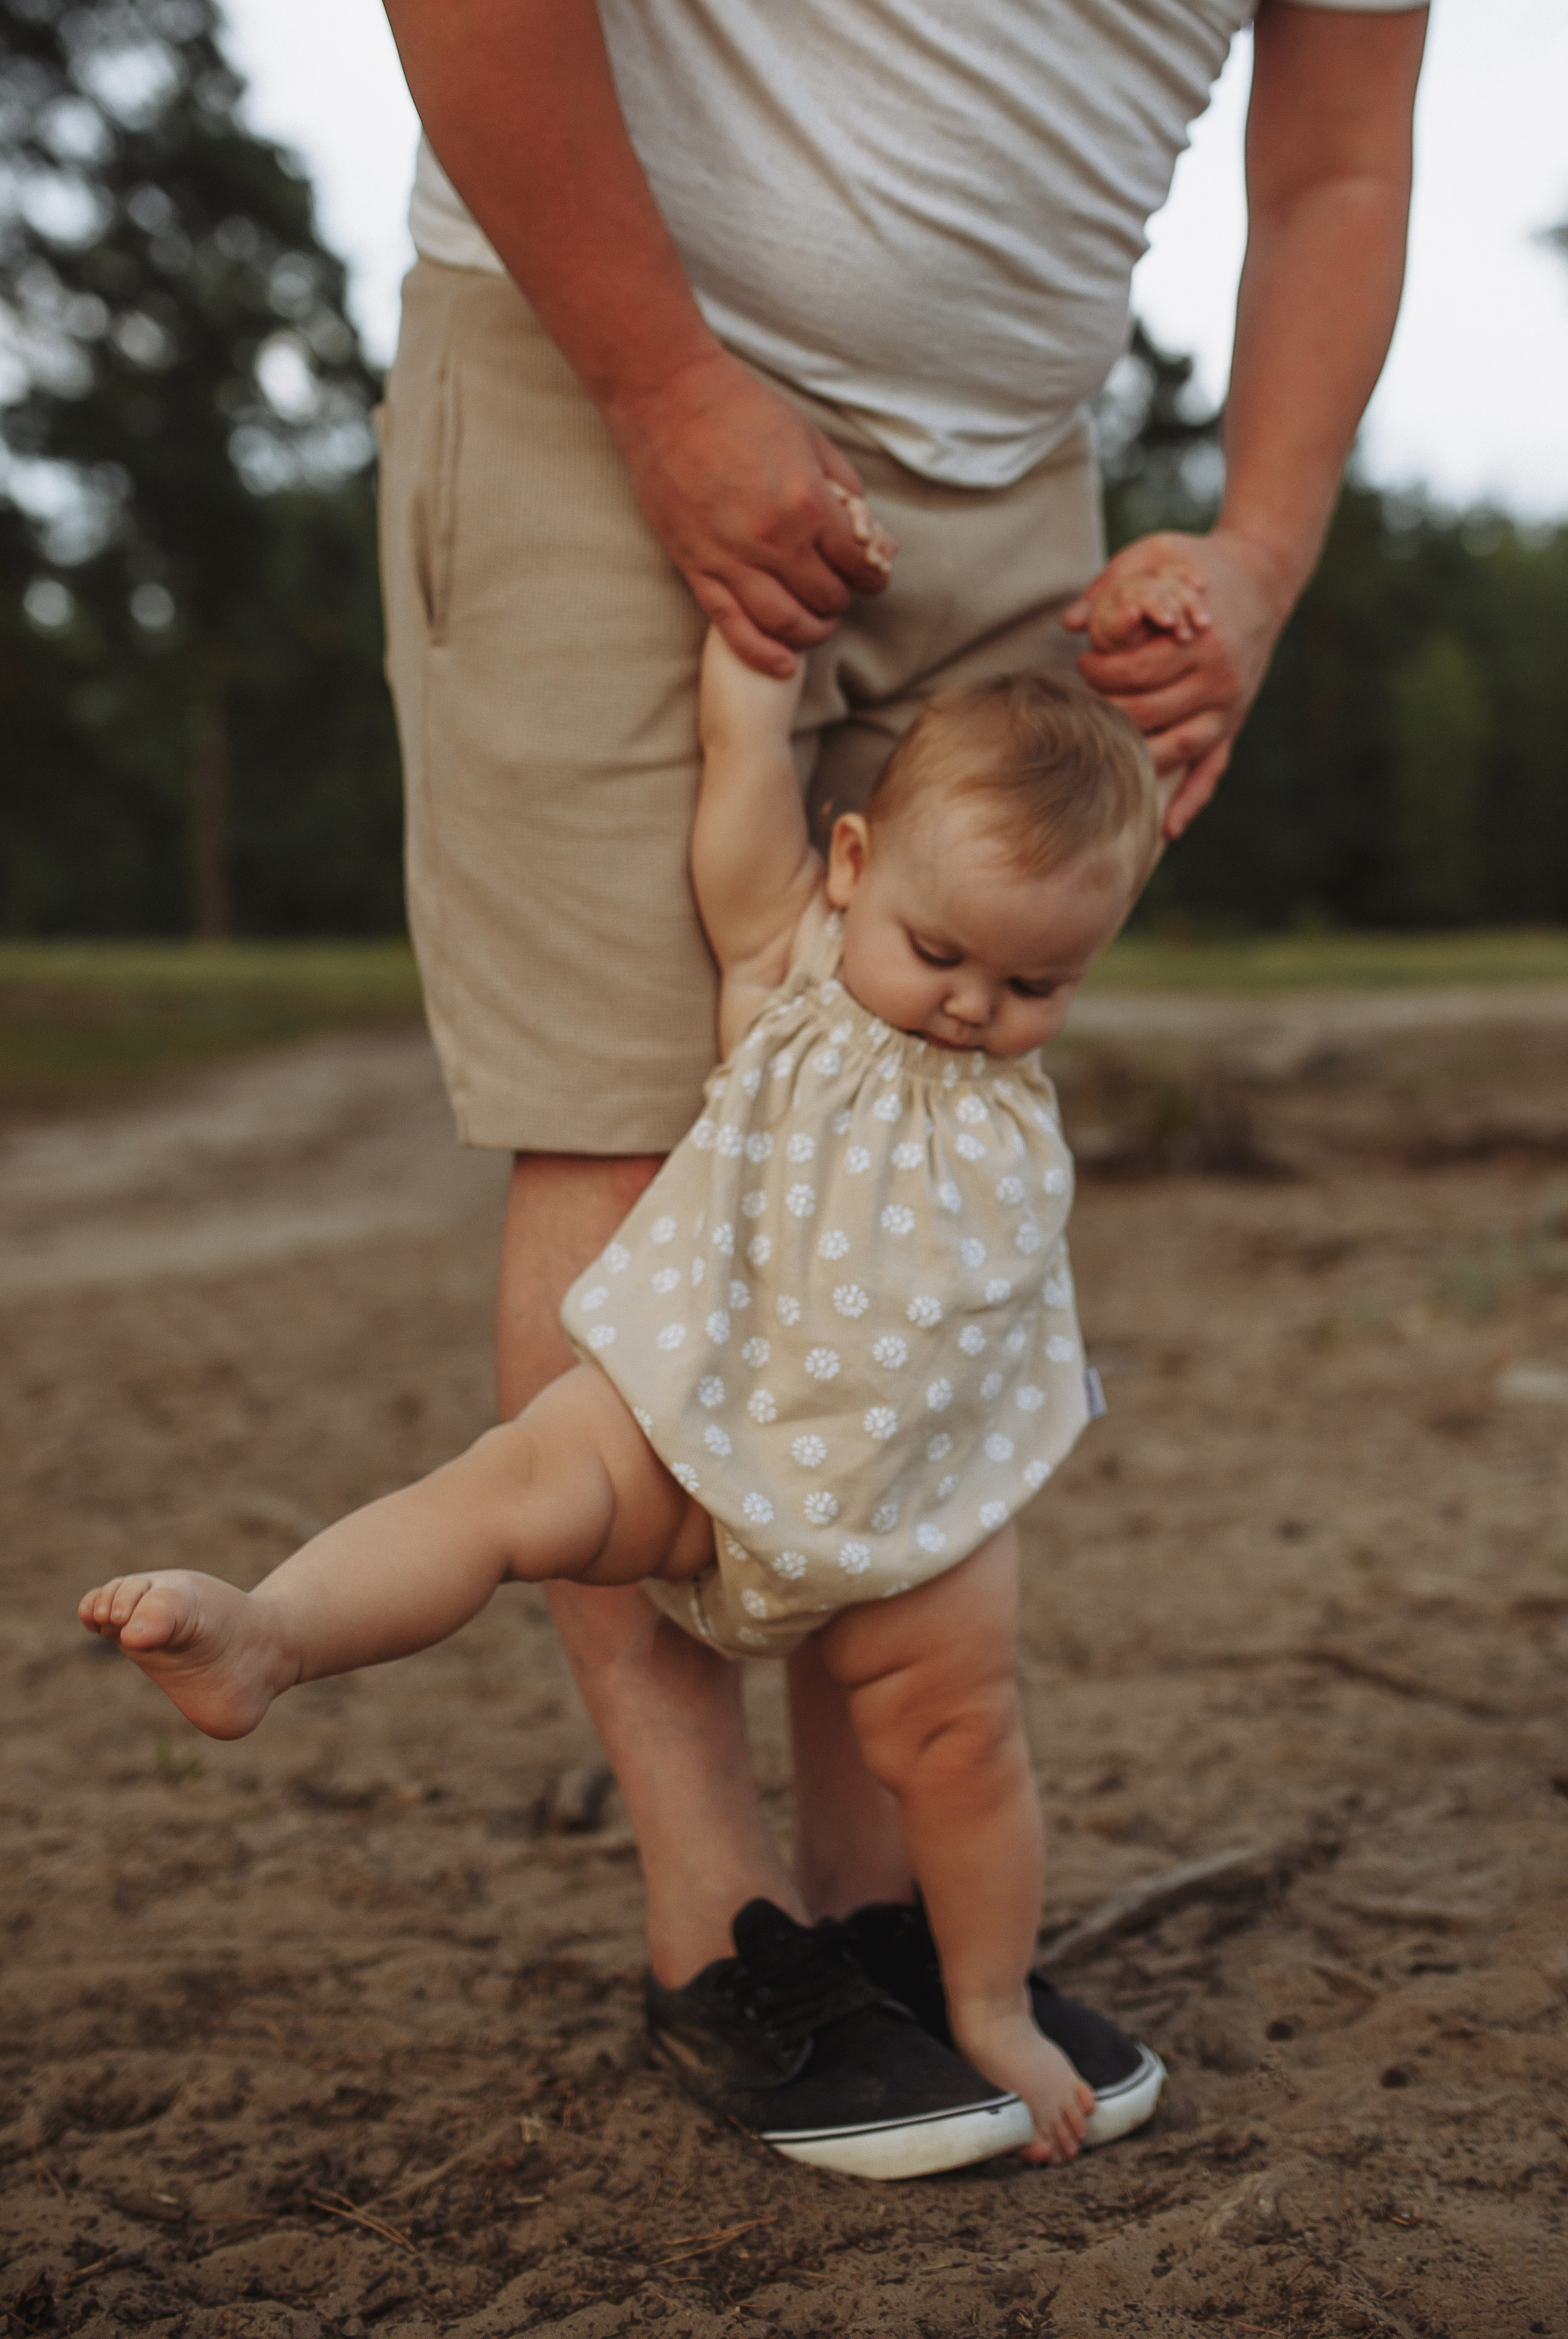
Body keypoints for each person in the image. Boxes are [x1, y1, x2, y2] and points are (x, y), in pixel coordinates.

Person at [370, 0, 1432, 2168]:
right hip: (610, 358)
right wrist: (665, 382)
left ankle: (883, 1917)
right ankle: (722, 1924)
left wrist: (1259, 552)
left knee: (910, 1127)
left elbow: (1337, 153)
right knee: (629, 1111)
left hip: (1015, 469)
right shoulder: (628, 372)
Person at [79, 621, 1185, 2174]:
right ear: (853, 863)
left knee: (964, 1737)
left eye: (1033, 982)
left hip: (906, 1509)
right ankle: (269, 1631)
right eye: (940, 954)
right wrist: (756, 660)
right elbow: (743, 786)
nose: (968, 1005)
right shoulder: (792, 967)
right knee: (504, 1486)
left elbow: (1083, 871)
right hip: (688, 1419)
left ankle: (983, 1997)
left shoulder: (1003, 1079)